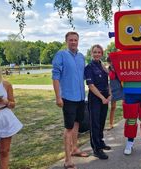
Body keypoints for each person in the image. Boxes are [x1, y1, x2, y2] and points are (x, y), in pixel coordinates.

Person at [52, 31, 88, 169]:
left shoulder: (81, 57)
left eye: (75, 40)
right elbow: (55, 77)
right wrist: (58, 96)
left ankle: (75, 149)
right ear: (66, 41)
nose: (73, 42)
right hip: (68, 97)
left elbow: (84, 75)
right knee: (68, 128)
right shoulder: (61, 55)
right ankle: (67, 160)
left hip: (80, 97)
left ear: (78, 41)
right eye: (71, 40)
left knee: (77, 124)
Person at [84, 44, 111, 160]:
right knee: (94, 123)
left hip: (105, 96)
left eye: (99, 52)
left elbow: (107, 82)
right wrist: (102, 98)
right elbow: (91, 85)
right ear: (91, 53)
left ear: (102, 54)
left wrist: (109, 94)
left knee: (101, 121)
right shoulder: (89, 67)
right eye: (95, 52)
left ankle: (100, 142)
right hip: (96, 97)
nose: (97, 54)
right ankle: (96, 149)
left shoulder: (103, 66)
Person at [107, 57, 124, 129]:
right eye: (110, 62)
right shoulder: (108, 69)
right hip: (113, 88)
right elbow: (108, 80)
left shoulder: (119, 67)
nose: (111, 63)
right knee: (113, 107)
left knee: (125, 105)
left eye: (112, 61)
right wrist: (109, 90)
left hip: (121, 88)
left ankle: (128, 121)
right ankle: (110, 124)